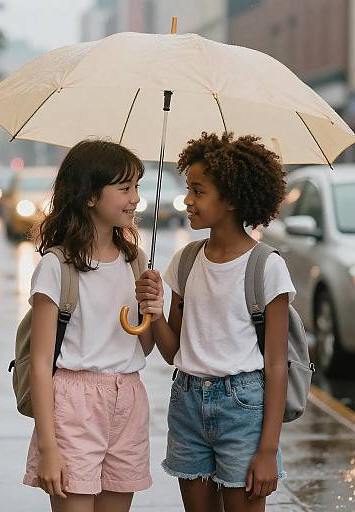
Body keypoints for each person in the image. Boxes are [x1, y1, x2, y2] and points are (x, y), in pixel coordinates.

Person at [136, 132, 295, 512]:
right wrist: (153, 310)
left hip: (243, 408)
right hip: (186, 403)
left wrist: (268, 450)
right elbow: (174, 352)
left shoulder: (266, 267)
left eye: (198, 190)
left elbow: (276, 365)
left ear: (233, 200)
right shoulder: (186, 262)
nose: (188, 200)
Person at [23, 139, 162, 512]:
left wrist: (153, 307)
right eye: (124, 188)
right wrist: (49, 448)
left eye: (137, 186)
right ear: (89, 197)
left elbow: (143, 345)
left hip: (129, 399)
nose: (134, 198)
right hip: (73, 404)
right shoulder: (57, 266)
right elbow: (39, 363)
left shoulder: (135, 261)